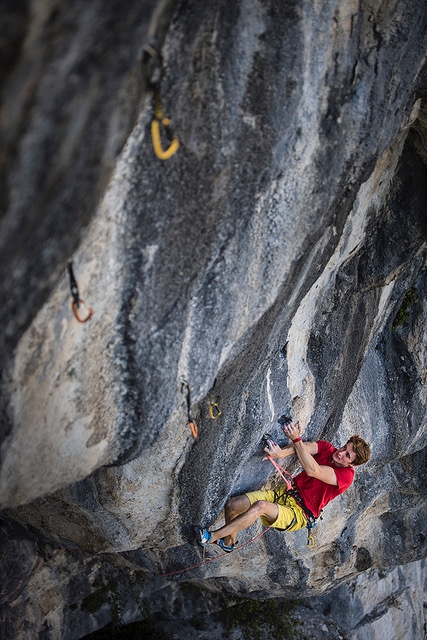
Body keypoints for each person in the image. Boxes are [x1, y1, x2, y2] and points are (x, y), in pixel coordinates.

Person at [198, 421, 371, 552]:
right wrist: (281, 452)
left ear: (352, 464)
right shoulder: (327, 448)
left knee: (260, 507)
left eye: (347, 455)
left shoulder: (346, 477)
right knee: (232, 505)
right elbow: (303, 448)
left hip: (299, 513)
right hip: (283, 494)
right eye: (344, 447)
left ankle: (211, 536)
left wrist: (296, 438)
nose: (340, 453)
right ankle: (229, 543)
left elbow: (313, 470)